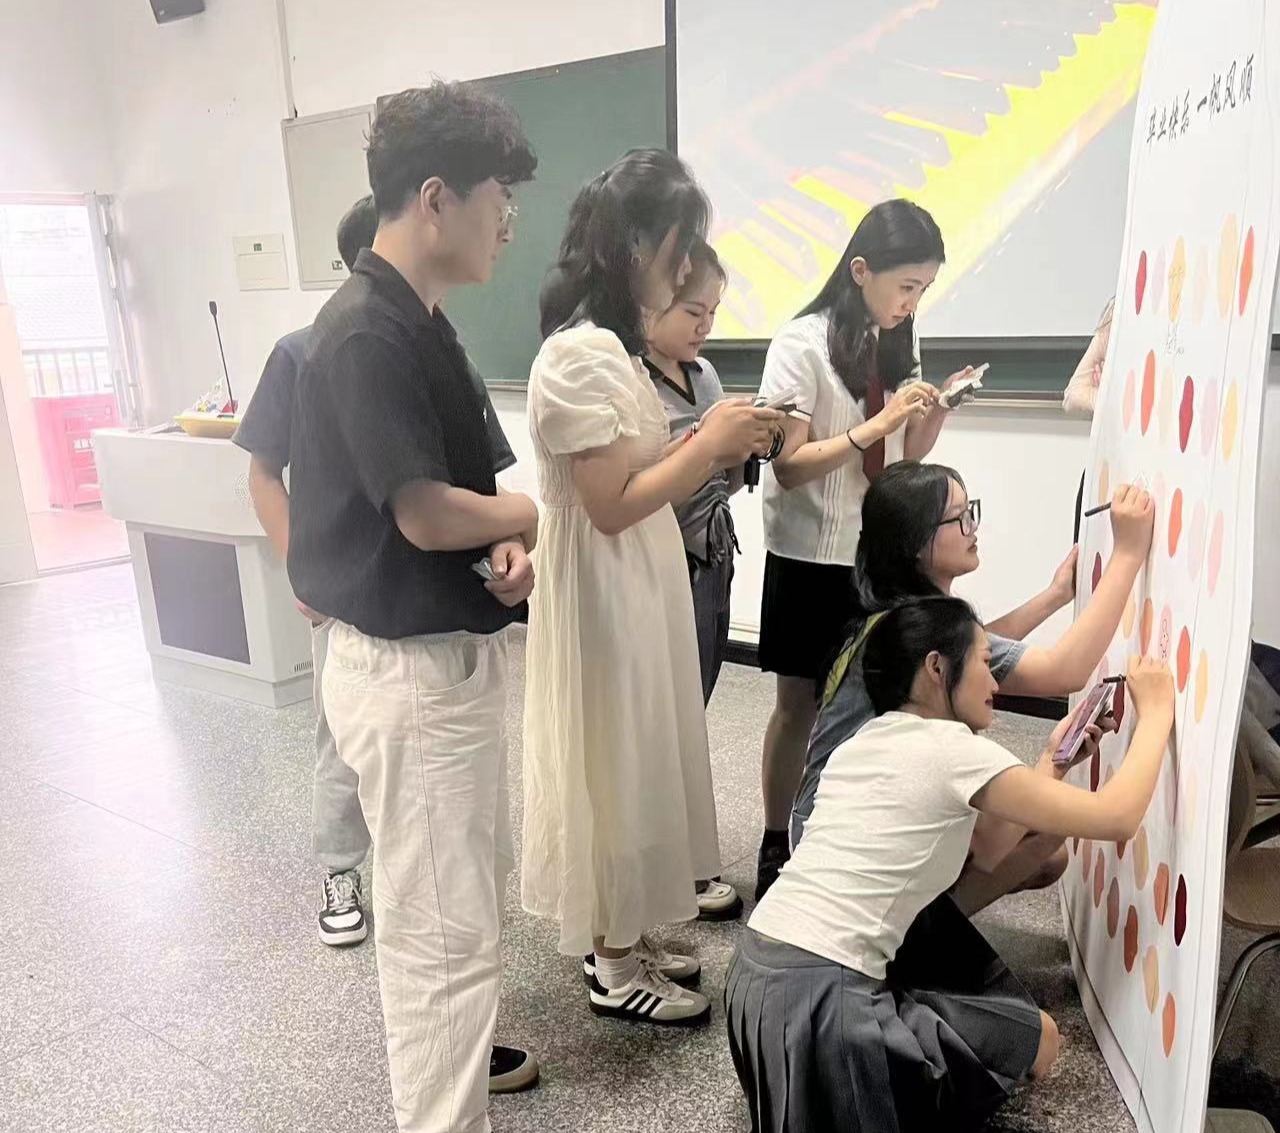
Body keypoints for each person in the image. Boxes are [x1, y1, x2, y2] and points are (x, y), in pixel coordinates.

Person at [286, 83, 541, 1130]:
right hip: (408, 676)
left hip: (446, 658)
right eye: (497, 200)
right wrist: (536, 510)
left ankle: (455, 1096)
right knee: (442, 942)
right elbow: (427, 513)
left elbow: (459, 497)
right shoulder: (365, 330)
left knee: (458, 920)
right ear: (435, 198)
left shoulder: (421, 321)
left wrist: (506, 543)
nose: (507, 223)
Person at [727, 597, 1176, 1132]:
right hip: (826, 1005)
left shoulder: (865, 739)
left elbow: (989, 850)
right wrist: (1157, 715)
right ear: (937, 668)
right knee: (1037, 1043)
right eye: (986, 661)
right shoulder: (953, 748)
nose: (995, 681)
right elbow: (1119, 816)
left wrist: (1051, 762)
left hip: (753, 980)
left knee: (1030, 1034)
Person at [521, 149, 782, 1025]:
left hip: (635, 574)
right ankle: (611, 960)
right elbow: (608, 504)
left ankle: (627, 930)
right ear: (635, 245)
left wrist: (710, 436)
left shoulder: (615, 348)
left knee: (641, 752)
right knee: (615, 757)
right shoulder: (580, 354)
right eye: (680, 245)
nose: (686, 265)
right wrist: (708, 443)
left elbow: (637, 469)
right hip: (607, 581)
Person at [792, 462, 1155, 915]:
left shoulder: (901, 613)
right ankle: (917, 928)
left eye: (971, 511)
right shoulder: (923, 630)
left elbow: (975, 649)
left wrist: (1053, 596)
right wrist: (1128, 554)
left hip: (821, 819)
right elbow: (1066, 671)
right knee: (1034, 842)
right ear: (915, 542)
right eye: (958, 518)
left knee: (1044, 849)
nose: (972, 527)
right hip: (841, 840)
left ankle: (919, 920)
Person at [753, 198, 976, 900]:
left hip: (872, 553)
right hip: (807, 553)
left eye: (924, 289)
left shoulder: (896, 341)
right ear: (860, 271)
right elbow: (789, 466)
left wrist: (933, 412)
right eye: (906, 285)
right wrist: (875, 424)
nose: (912, 303)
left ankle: (844, 839)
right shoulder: (801, 345)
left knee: (868, 705)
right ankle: (775, 840)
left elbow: (904, 456)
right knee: (799, 705)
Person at [235, 196, 378, 948]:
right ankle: (340, 869)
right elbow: (264, 472)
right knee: (341, 733)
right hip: (341, 588)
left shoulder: (433, 347)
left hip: (419, 592)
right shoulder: (300, 352)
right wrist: (303, 567)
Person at [643, 238, 748, 922]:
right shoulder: (628, 380)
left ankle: (681, 852)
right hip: (663, 563)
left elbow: (721, 480)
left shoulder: (703, 374)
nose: (704, 325)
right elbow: (641, 493)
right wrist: (705, 449)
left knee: (694, 707)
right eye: (691, 310)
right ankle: (665, 863)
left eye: (712, 311)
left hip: (713, 554)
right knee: (662, 718)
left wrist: (747, 448)